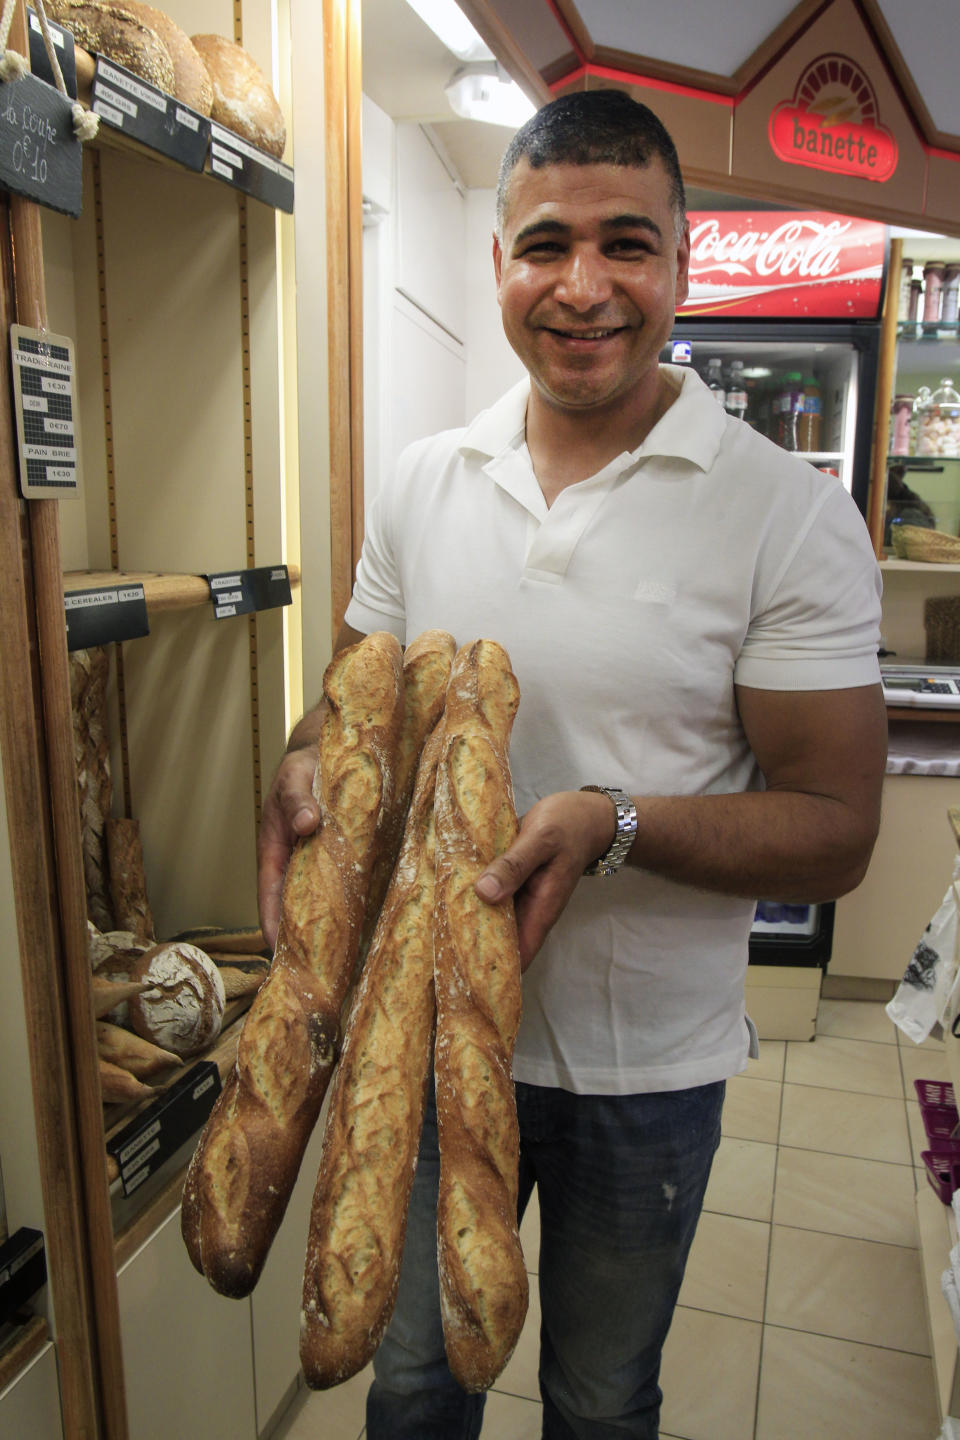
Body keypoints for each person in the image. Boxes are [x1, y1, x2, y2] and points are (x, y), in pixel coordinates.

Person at [258, 91, 888, 1440]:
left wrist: (611, 821)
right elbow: (351, 710)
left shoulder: (785, 515)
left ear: (683, 260)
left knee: (600, 1402)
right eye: (547, 244)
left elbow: (837, 829)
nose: (584, 285)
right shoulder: (425, 478)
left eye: (627, 244)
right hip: (419, 1042)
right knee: (416, 1384)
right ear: (500, 262)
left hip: (642, 1071)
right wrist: (305, 767)